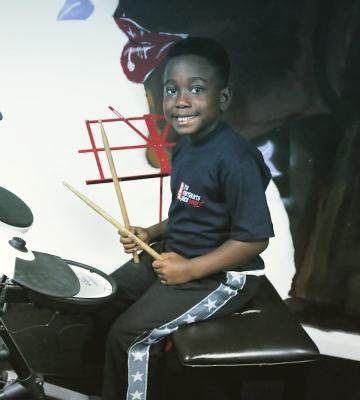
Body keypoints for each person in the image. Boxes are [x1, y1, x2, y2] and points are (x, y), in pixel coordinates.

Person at [90, 37, 275, 400]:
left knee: (128, 337)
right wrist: (151, 232)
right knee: (104, 298)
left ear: (223, 98)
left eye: (197, 89)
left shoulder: (236, 161)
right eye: (171, 89)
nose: (181, 100)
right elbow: (192, 209)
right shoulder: (186, 145)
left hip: (221, 277)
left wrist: (189, 271)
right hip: (175, 255)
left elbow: (254, 239)